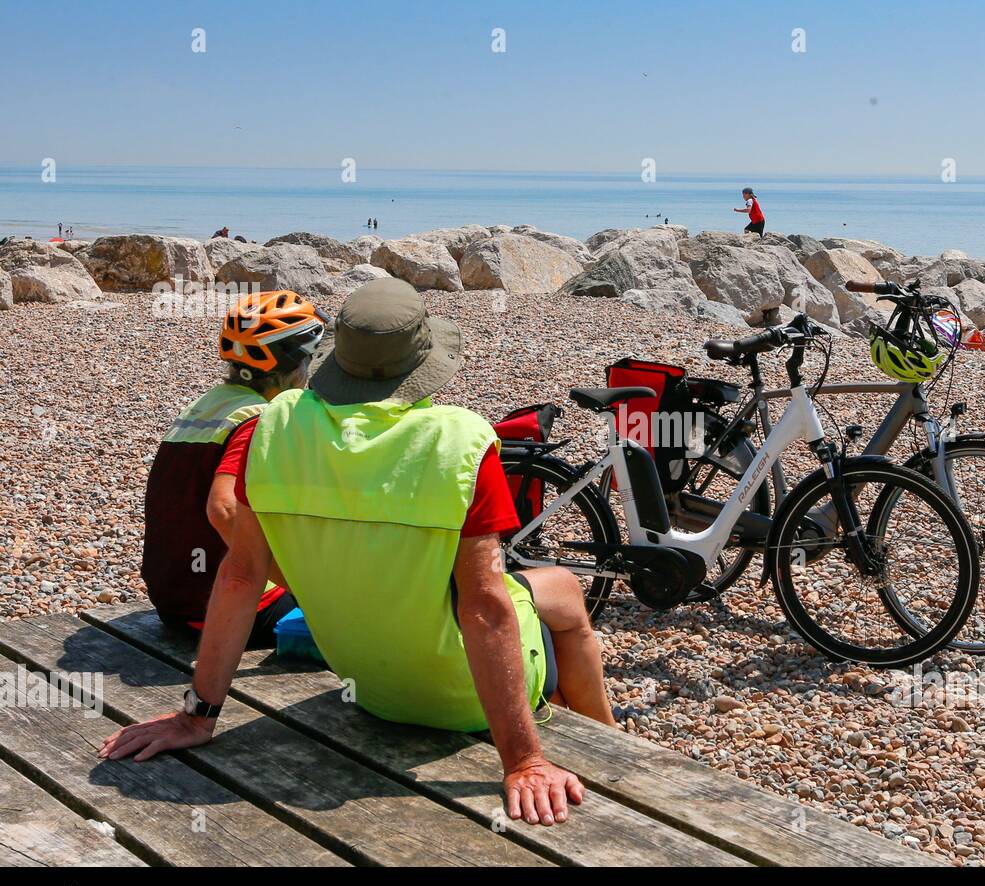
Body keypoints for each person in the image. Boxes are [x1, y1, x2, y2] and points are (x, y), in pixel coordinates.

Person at [103, 278, 614, 827]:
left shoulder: (274, 427)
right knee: (561, 589)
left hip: (372, 690)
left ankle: (600, 737)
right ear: (421, 364)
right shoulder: (460, 439)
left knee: (528, 592)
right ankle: (609, 748)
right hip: (460, 698)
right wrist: (524, 761)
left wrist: (197, 716)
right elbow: (485, 607)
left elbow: (237, 578)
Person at [141, 291, 328, 648]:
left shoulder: (208, 405)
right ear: (295, 365)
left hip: (174, 600)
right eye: (312, 359)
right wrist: (303, 586)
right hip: (223, 608)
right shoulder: (257, 419)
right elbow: (223, 509)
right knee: (372, 604)